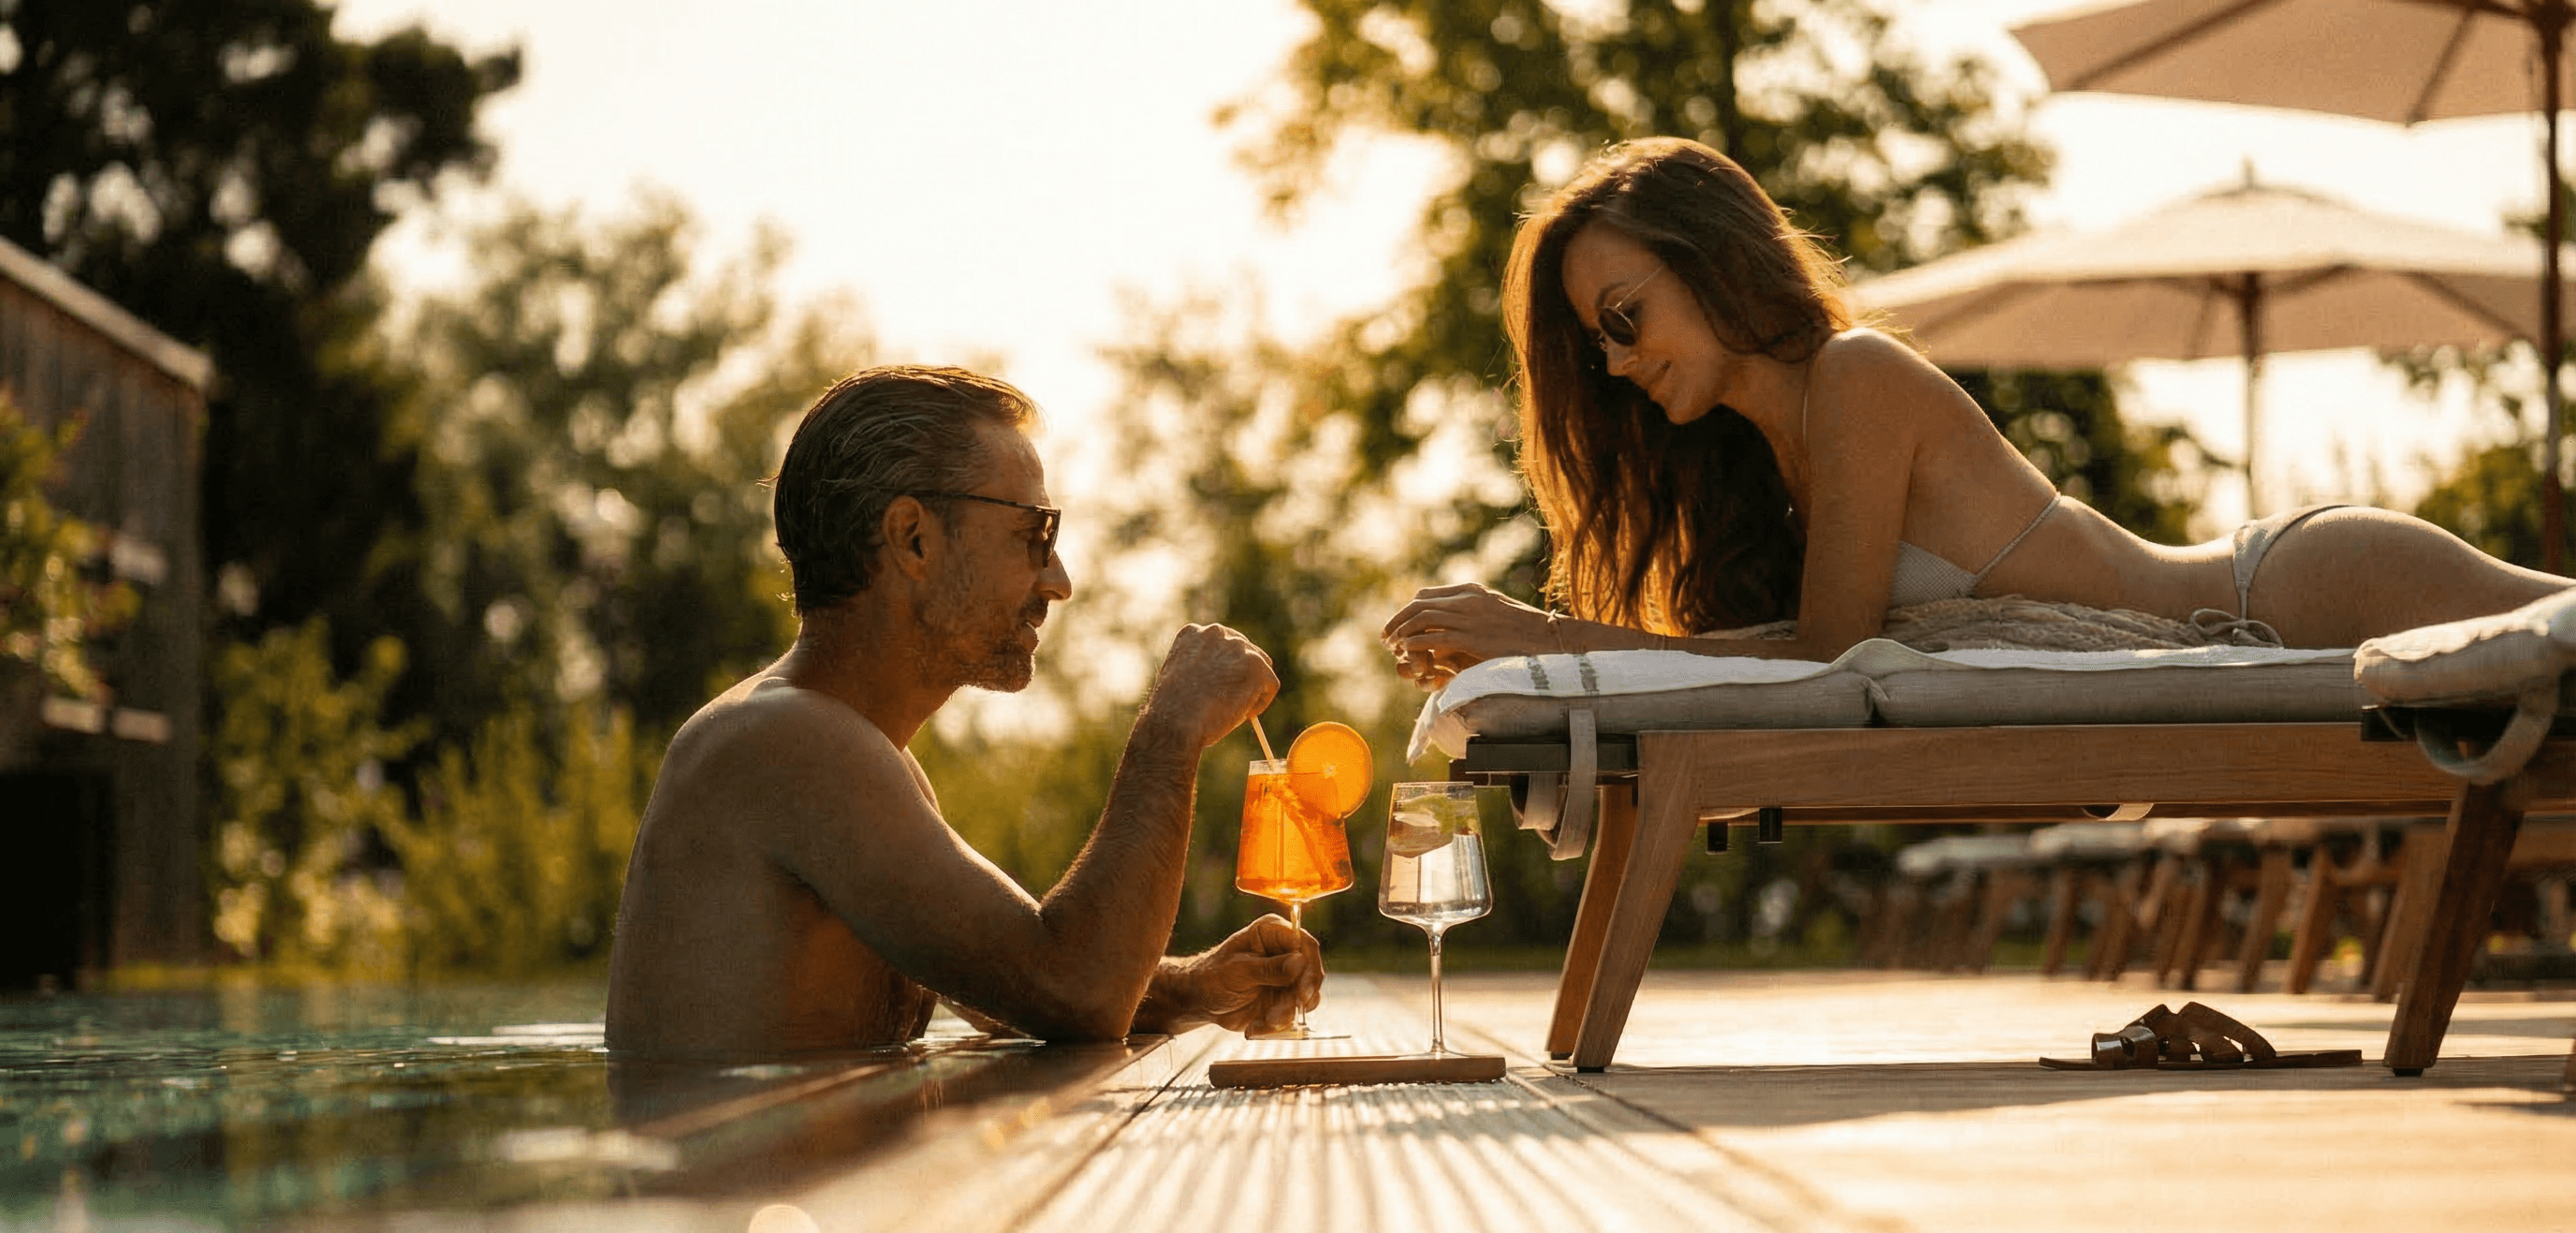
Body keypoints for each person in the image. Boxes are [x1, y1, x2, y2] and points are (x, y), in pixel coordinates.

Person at [1381, 137, 2569, 684]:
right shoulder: (1769, 460)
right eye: (1596, 345)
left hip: (2297, 596)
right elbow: (1765, 657)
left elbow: (1823, 655)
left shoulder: (1856, 379)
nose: (1615, 360)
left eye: (1626, 315)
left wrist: (1544, 640)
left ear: (1710, 260)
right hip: (2267, 614)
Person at [607, 365, 1321, 1059]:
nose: (1059, 581)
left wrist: (1198, 988)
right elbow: (1074, 988)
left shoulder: (856, 750)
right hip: (742, 1182)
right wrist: (1171, 730)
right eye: (1035, 533)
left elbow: (1007, 988)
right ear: (913, 538)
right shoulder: (783, 739)